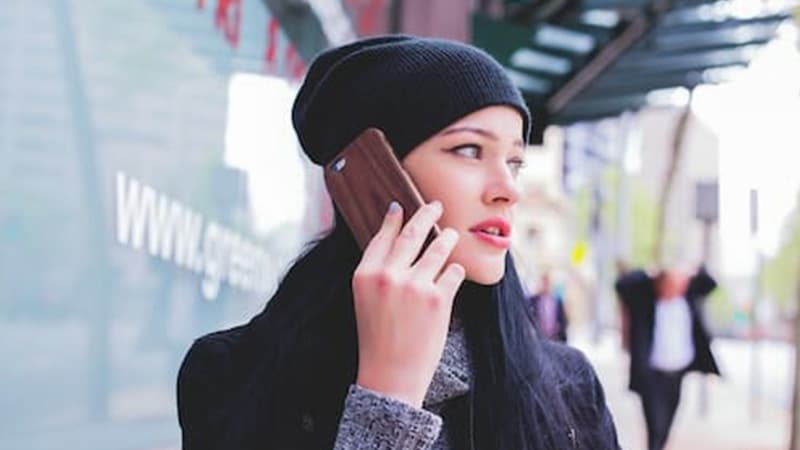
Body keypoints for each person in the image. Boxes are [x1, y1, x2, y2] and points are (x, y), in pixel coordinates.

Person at [177, 35, 620, 450]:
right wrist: (388, 398)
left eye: (515, 162)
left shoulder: (568, 387)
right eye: (468, 150)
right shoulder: (232, 374)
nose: (508, 189)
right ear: (374, 176)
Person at [615, 265, 720, 450]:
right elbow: (621, 285)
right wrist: (648, 274)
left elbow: (711, 283)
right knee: (656, 424)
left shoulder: (688, 297)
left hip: (677, 373)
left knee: (668, 422)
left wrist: (692, 270)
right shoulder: (645, 300)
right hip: (652, 375)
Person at [528, 272, 569, 342]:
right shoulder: (533, 300)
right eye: (544, 282)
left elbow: (563, 320)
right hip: (538, 339)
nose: (546, 284)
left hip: (555, 338)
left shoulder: (557, 301)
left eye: (548, 282)